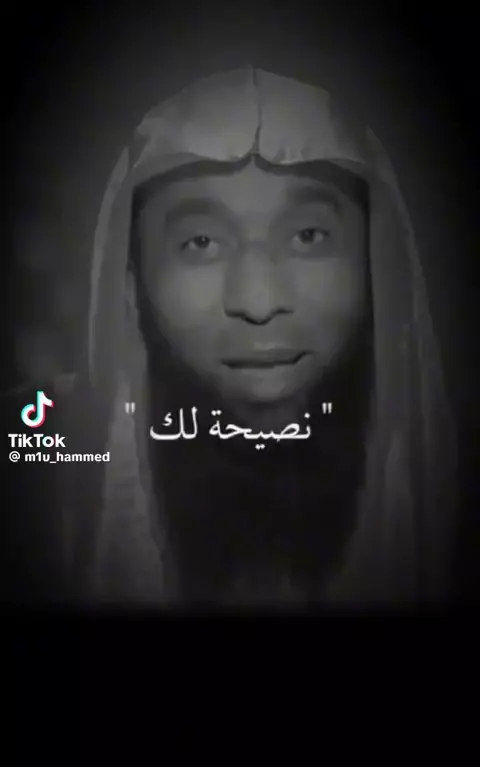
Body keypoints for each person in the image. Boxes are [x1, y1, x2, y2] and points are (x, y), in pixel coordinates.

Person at [61, 67, 456, 607]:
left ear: (378, 267)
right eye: (201, 242)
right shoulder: (36, 479)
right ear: (130, 281)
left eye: (308, 236)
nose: (259, 301)